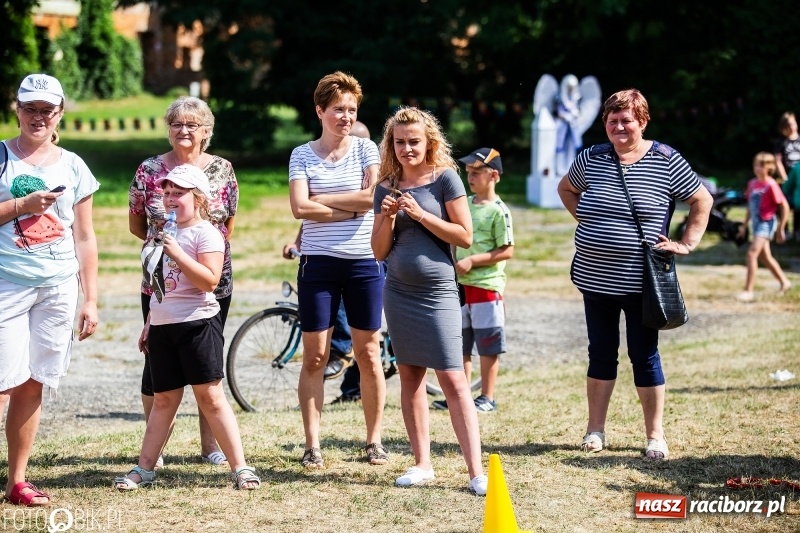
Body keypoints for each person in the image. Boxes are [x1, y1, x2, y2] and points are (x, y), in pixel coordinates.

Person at [557, 89, 713, 461]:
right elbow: (566, 188)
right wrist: (589, 221)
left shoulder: (665, 160)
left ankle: (655, 435)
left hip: (644, 282)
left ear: (642, 121)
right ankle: (595, 430)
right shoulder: (591, 158)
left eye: (626, 119)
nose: (619, 126)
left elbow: (701, 200)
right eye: (612, 120)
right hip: (595, 279)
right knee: (600, 353)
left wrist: (686, 243)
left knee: (645, 355)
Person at [115, 165, 259, 491]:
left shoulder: (206, 233)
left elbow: (209, 280)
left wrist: (177, 252)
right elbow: (158, 285)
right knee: (164, 400)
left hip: (197, 325)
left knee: (210, 398)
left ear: (198, 198)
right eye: (166, 193)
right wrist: (150, 321)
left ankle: (240, 468)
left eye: (178, 193)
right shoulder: (163, 233)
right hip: (163, 326)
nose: (170, 198)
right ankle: (144, 469)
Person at [372, 106, 487, 496]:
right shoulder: (384, 186)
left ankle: (476, 472)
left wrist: (420, 215)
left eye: (414, 141)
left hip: (437, 292)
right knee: (410, 377)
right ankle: (422, 463)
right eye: (400, 142)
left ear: (429, 142)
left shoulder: (446, 179)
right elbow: (378, 251)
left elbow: (464, 236)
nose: (407, 148)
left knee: (454, 379)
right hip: (398, 292)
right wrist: (385, 217)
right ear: (392, 144)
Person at [0, 74, 99, 505]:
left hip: (58, 287)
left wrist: (90, 297)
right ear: (16, 110)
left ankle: (17, 481)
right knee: (1, 383)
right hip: (7, 282)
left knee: (33, 382)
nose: (38, 117)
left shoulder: (73, 165)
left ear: (60, 113)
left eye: (47, 109)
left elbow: (85, 237)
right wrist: (22, 205)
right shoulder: (2, 157)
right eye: (30, 108)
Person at [129, 96, 238, 467]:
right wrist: (166, 251)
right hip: (161, 282)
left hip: (211, 279)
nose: (184, 130)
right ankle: (154, 452)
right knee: (158, 364)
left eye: (193, 124)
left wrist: (199, 254)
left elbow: (227, 226)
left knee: (207, 367)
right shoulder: (149, 170)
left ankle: (211, 447)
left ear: (206, 131)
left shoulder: (223, 169)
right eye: (177, 123)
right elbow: (136, 222)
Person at [288, 72, 388, 468]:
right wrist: (350, 205)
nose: (345, 117)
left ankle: (374, 440)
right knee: (315, 357)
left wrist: (322, 198)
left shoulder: (367, 150)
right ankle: (312, 444)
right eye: (337, 110)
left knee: (368, 353)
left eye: (351, 110)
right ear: (320, 111)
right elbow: (299, 207)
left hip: (364, 262)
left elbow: (372, 198)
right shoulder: (301, 154)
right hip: (318, 264)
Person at [431, 147, 514, 413]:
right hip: (460, 286)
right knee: (461, 342)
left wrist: (471, 261)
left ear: (494, 176)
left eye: (477, 172)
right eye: (468, 172)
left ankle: (487, 396)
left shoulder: (499, 211)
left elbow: (507, 249)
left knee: (488, 344)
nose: (471, 177)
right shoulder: (463, 202)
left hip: (486, 287)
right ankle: (461, 394)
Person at [736, 153, 792, 302]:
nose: (758, 168)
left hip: (766, 223)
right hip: (755, 223)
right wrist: (744, 224)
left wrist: (781, 228)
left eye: (761, 165)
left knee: (751, 254)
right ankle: (785, 282)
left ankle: (748, 291)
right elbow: (750, 206)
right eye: (756, 165)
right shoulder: (752, 183)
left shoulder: (771, 185)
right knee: (765, 257)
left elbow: (784, 206)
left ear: (770, 168)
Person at [773, 112, 800, 184]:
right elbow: (778, 161)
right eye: (788, 125)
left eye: (792, 123)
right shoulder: (781, 142)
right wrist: (785, 179)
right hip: (788, 176)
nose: (791, 127)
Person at [783, 163, 800, 241]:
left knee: (783, 202)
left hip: (798, 203)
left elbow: (786, 187)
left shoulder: (797, 167)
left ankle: (786, 231)